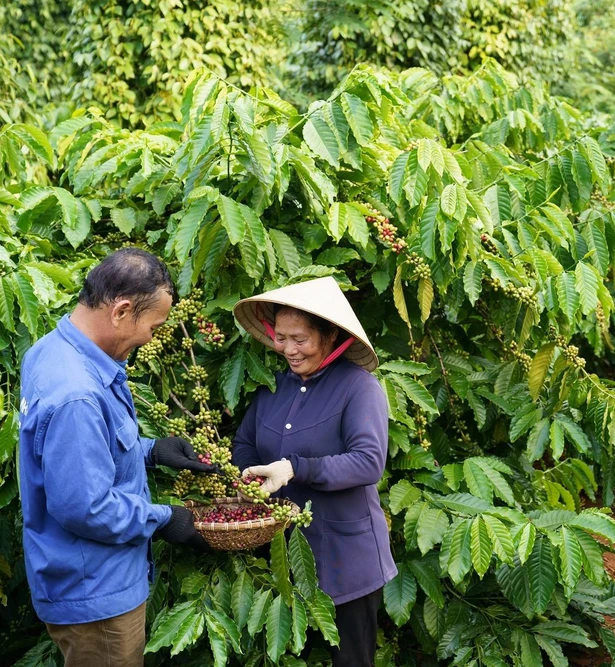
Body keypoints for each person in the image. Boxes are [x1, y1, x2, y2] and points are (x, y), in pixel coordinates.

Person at [18, 249, 215, 667]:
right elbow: (85, 507)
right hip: (96, 594)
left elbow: (80, 456)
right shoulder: (77, 393)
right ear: (122, 311)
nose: (150, 338)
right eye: (153, 326)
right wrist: (164, 518)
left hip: (86, 577)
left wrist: (152, 452)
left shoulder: (54, 350)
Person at [231, 277, 396, 667]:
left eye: (300, 339)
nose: (288, 349)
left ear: (331, 336)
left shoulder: (359, 388)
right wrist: (247, 476)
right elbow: (245, 444)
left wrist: (294, 468)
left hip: (347, 561)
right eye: (281, 337)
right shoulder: (273, 386)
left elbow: (369, 461)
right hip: (286, 556)